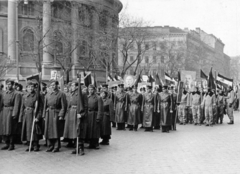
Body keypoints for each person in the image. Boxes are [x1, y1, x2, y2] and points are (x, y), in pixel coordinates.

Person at [42, 80, 67, 153]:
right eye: (51, 85)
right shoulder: (47, 94)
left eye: (54, 85)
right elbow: (45, 106)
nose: (52, 86)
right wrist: (44, 115)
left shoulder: (61, 94)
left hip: (56, 113)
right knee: (48, 130)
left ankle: (56, 146)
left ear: (57, 85)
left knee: (55, 131)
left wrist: (61, 115)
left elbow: (64, 106)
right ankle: (50, 146)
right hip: (48, 113)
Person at [64, 81, 88, 155]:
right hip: (71, 113)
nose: (71, 87)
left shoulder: (82, 94)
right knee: (74, 131)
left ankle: (81, 148)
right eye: (71, 85)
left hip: (78, 113)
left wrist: (82, 114)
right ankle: (76, 147)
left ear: (77, 86)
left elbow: (86, 106)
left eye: (73, 85)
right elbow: (69, 105)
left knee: (79, 130)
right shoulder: (72, 94)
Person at [19, 81, 42, 152]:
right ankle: (29, 144)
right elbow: (22, 107)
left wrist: (38, 117)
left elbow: (40, 108)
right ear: (26, 88)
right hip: (26, 114)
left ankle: (35, 145)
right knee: (27, 130)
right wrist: (21, 117)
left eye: (32, 87)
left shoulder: (37, 96)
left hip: (33, 114)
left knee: (34, 130)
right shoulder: (24, 96)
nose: (30, 88)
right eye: (29, 87)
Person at [1, 79, 21, 150]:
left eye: (10, 84)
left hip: (11, 111)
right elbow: (1, 103)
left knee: (10, 129)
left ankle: (11, 144)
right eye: (7, 84)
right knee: (4, 128)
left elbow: (17, 104)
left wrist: (14, 113)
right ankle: (6, 143)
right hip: (4, 111)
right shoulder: (4, 93)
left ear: (13, 85)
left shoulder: (16, 93)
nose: (8, 85)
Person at [87, 84, 103, 149]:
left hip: (95, 114)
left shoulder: (98, 98)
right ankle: (91, 143)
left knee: (95, 130)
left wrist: (99, 117)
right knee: (90, 129)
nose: (90, 91)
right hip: (89, 115)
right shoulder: (87, 97)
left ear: (94, 90)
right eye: (89, 89)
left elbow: (100, 109)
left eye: (91, 89)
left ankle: (96, 143)